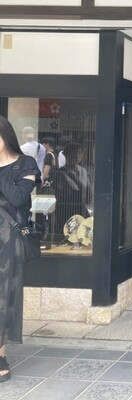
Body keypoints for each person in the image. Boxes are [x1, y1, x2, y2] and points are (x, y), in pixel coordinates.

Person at [0, 116, 40, 382]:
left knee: (4, 295)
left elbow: (17, 198)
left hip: (8, 241)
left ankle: (0, 353)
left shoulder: (25, 164)